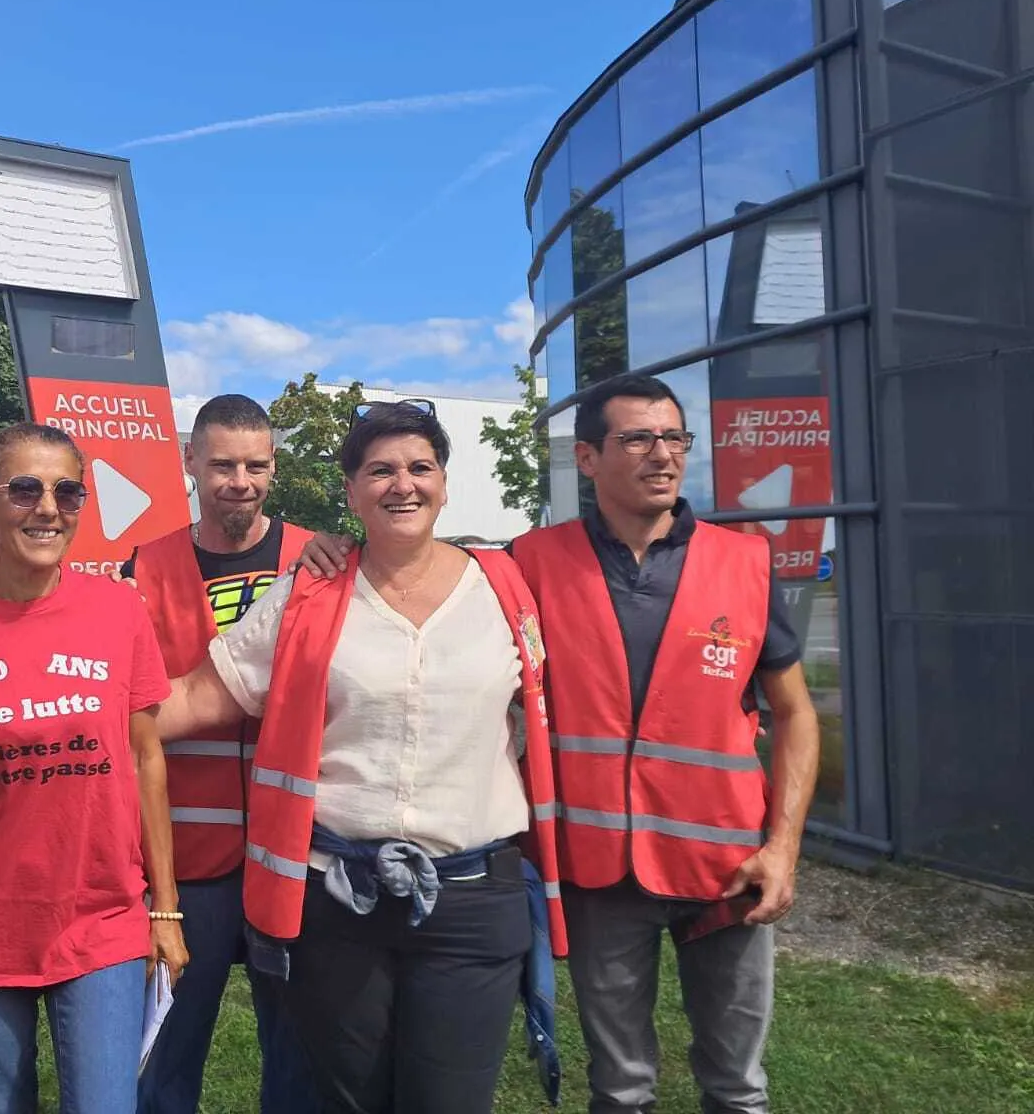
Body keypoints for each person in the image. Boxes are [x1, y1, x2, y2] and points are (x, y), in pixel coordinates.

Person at [302, 373, 821, 1114]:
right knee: (621, 1085)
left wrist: (784, 847)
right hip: (597, 870)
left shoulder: (744, 564)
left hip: (726, 866)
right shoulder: (529, 565)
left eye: (674, 437)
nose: (662, 454)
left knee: (738, 1086)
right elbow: (419, 562)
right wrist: (330, 547)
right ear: (586, 458)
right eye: (637, 439)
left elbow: (796, 714)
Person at [156, 400, 567, 1114]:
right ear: (350, 491)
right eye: (380, 471)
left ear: (444, 482)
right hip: (338, 900)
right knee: (349, 1100)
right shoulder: (310, 591)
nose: (402, 484)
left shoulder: (505, 589)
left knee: (447, 1102)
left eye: (420, 467)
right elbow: (196, 696)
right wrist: (65, 712)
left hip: (472, 897)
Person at [0, 421, 190, 1114]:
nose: (48, 509)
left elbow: (146, 757)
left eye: (67, 492)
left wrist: (165, 907)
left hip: (102, 913)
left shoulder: (118, 610)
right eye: (25, 490)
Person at [124, 394, 319, 1114]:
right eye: (223, 465)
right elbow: (133, 712)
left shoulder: (320, 560)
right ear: (190, 463)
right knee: (165, 1055)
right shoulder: (144, 568)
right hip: (185, 861)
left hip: (294, 853)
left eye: (256, 465)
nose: (241, 481)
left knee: (301, 1057)